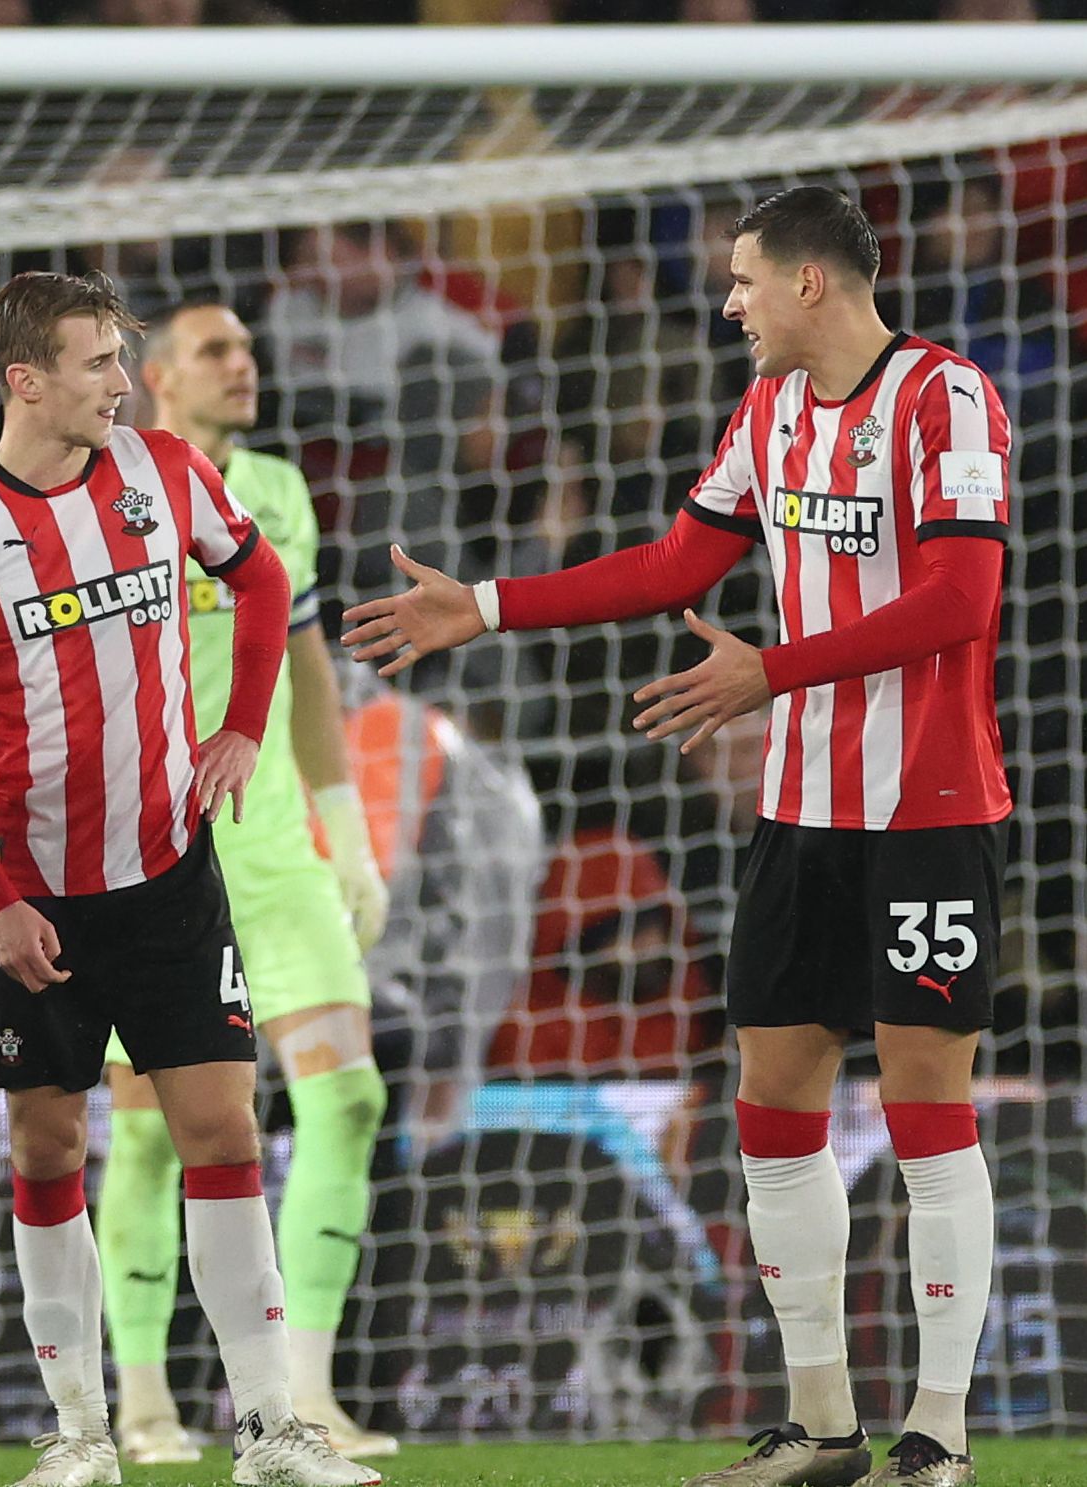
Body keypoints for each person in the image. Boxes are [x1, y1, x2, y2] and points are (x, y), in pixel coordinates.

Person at [347, 185, 1013, 1487]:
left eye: (746, 279)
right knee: (773, 1098)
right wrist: (484, 603)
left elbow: (962, 598)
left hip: (928, 813)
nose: (729, 302)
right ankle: (820, 1426)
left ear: (812, 282)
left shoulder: (947, 400)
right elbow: (668, 565)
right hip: (801, 816)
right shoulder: (766, 413)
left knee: (930, 1103)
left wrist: (775, 671)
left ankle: (938, 1433)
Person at [0, 270, 380, 1487]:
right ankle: (80, 1434)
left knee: (222, 1126)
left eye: (121, 358)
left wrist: (241, 726)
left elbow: (262, 582)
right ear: (27, 381)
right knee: (50, 1145)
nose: (123, 381)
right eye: (98, 361)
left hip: (170, 875)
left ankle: (270, 1430)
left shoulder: (166, 475)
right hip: (37, 898)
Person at [95, 298, 398, 1464]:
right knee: (150, 1135)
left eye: (246, 347)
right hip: (158, 852)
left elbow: (308, 666)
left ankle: (309, 1391)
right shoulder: (107, 487)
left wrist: (345, 830)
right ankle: (143, 1399)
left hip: (272, 852)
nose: (244, 364)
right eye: (215, 350)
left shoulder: (281, 490)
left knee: (349, 1099)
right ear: (157, 376)